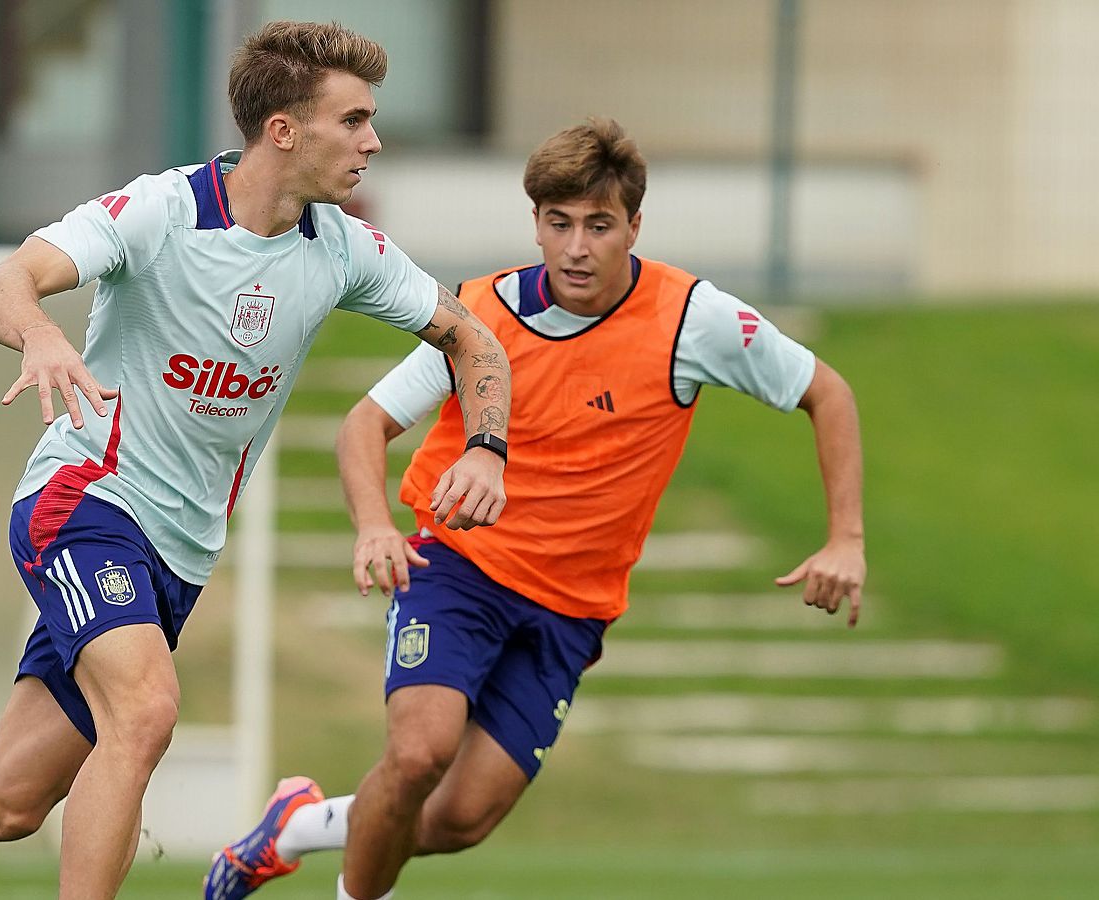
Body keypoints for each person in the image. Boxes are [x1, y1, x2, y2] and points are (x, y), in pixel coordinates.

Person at [0, 20, 512, 900]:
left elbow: (476, 343)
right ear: (284, 130)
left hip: (177, 554)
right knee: (144, 715)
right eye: (354, 120)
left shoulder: (341, 250)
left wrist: (487, 447)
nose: (374, 140)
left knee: (8, 800)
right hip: (85, 500)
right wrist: (40, 338)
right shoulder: (162, 209)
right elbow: (6, 281)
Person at [205, 117, 866, 900]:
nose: (578, 247)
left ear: (634, 227)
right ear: (537, 225)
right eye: (560, 224)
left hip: (571, 608)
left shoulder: (692, 319)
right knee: (419, 754)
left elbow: (827, 392)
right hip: (458, 567)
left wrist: (846, 539)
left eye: (599, 225)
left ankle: (296, 826)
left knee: (458, 820)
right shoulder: (482, 316)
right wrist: (376, 526)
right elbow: (365, 425)